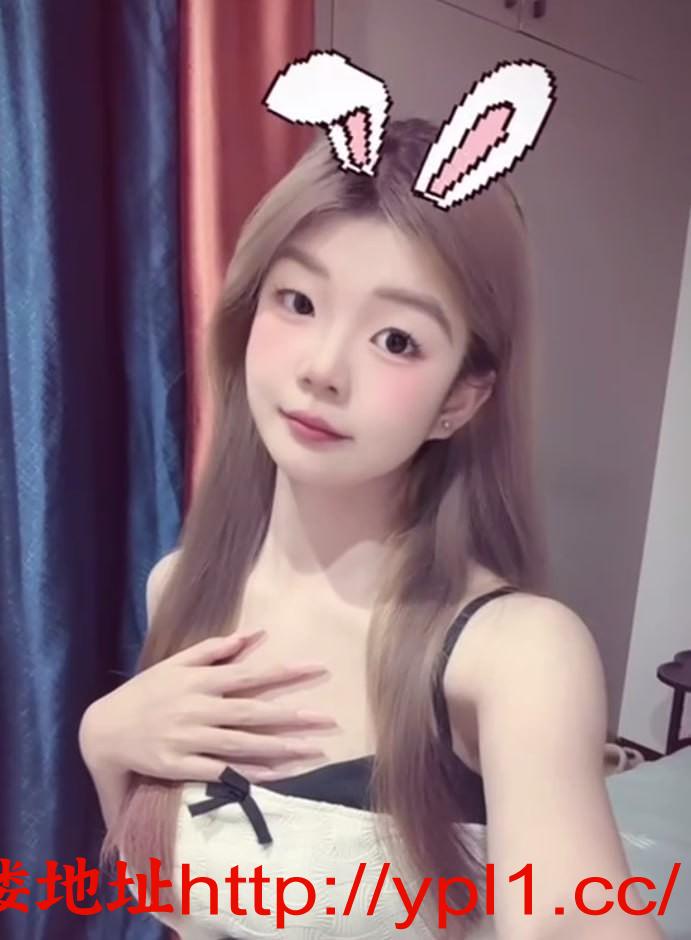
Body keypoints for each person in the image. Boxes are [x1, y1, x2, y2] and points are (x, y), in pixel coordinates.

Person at [79, 118, 663, 939]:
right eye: (298, 302)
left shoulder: (514, 654)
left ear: (459, 398)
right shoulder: (179, 587)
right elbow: (176, 904)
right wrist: (104, 743)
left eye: (395, 340)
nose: (323, 367)